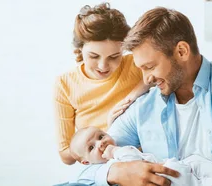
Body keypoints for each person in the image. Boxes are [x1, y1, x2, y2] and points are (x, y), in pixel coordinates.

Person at [71, 6, 212, 186]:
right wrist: (116, 172)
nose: (146, 79)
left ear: (182, 51)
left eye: (149, 67)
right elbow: (83, 169)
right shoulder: (144, 106)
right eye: (140, 69)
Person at [53, 2, 150, 165]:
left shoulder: (135, 64)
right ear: (79, 49)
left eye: (114, 57)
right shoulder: (65, 84)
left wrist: (132, 97)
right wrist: (104, 135)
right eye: (94, 56)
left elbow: (166, 74)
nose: (103, 66)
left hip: (143, 158)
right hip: (101, 167)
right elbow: (65, 155)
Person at [68, 126, 212, 186]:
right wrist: (116, 152)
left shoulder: (118, 151)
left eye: (101, 136)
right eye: (91, 147)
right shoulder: (107, 167)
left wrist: (115, 151)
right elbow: (132, 163)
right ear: (86, 162)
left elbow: (134, 160)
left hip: (171, 169)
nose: (100, 143)